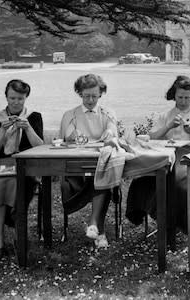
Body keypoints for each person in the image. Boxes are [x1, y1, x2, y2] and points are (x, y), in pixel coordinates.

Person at [126, 75, 190, 233]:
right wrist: (168, 127)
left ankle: (180, 224)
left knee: (178, 183)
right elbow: (150, 138)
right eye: (179, 97)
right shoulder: (167, 115)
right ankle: (164, 219)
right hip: (167, 154)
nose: (183, 101)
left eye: (187, 98)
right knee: (142, 181)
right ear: (173, 96)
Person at [0, 79, 44, 258]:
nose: (16, 102)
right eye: (12, 98)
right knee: (1, 182)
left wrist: (28, 128)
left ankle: (17, 235)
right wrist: (1, 130)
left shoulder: (34, 116)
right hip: (2, 165)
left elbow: (40, 148)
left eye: (20, 99)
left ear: (26, 98)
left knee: (13, 182)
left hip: (27, 165)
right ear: (6, 97)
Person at [60, 74, 118, 249]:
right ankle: (99, 231)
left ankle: (95, 225)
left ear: (101, 94)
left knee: (103, 177)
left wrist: (110, 133)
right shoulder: (70, 115)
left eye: (94, 95)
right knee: (101, 180)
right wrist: (71, 137)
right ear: (80, 94)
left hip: (100, 166)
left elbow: (112, 132)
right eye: (86, 96)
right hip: (76, 170)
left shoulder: (108, 114)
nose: (90, 100)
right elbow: (65, 140)